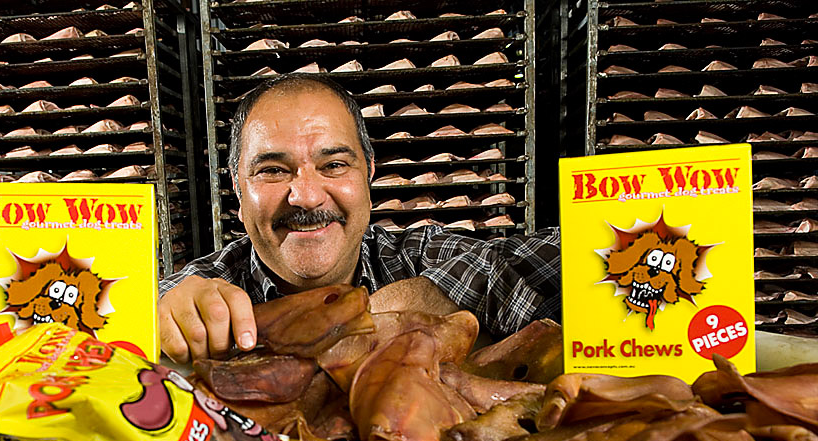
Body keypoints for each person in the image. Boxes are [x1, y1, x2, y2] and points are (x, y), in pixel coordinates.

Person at [159, 73, 560, 364]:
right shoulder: (204, 289)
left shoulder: (417, 258)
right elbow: (132, 318)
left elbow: (570, 250)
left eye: (334, 165)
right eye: (273, 171)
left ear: (368, 173)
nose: (307, 197)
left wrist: (433, 293)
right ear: (237, 187)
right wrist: (154, 324)